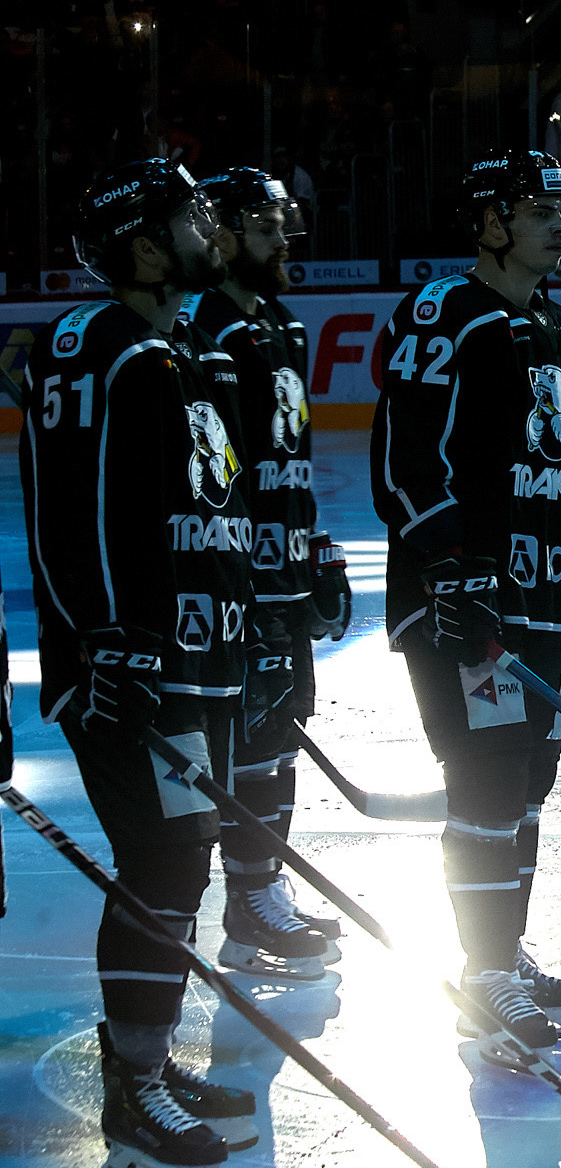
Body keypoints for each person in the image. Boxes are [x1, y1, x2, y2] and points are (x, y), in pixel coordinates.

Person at [24, 159, 261, 1168]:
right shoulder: (104, 347)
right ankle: (133, 1093)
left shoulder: (169, 348)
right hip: (133, 668)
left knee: (182, 858)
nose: (207, 225)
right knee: (161, 857)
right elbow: (74, 517)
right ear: (145, 244)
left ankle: (151, 1059)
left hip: (182, 662)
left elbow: (190, 515)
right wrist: (106, 640)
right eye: (185, 215)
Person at [370, 150, 561, 1056]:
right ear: (487, 222)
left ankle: (503, 955)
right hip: (464, 605)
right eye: (536, 210)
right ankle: (482, 975)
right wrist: (451, 567)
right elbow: (408, 462)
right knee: (486, 776)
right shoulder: (443, 314)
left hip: (545, 603)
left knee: (530, 781)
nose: (560, 224)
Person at [182, 168, 353, 981]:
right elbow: (216, 477)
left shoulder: (280, 326)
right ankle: (248, 896)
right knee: (251, 738)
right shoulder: (206, 331)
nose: (283, 237)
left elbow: (290, 465)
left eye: (286, 220)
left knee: (282, 727)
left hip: (283, 573)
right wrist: (233, 581)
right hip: (240, 585)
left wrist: (317, 554)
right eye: (263, 223)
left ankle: (263, 888)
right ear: (218, 234)